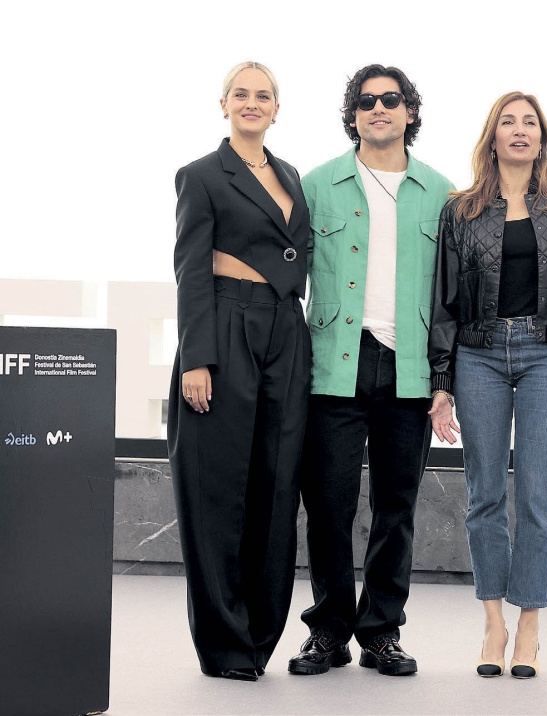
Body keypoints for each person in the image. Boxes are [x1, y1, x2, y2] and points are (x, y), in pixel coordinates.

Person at [288, 65, 453, 678]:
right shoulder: (316, 186)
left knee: (396, 506)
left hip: (408, 366)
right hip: (335, 363)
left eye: (390, 99)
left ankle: (381, 631)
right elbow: (288, 276)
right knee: (328, 505)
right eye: (365, 101)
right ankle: (328, 630)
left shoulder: (442, 194)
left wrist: (445, 381)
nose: (378, 108)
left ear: (409, 110)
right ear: (352, 115)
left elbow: (450, 299)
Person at [428, 91, 547, 680]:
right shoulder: (461, 210)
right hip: (478, 354)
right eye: (508, 121)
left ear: (542, 138)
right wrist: (441, 382)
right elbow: (444, 299)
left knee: (537, 496)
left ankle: (529, 626)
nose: (519, 130)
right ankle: (493, 623)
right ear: (492, 136)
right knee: (485, 496)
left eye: (530, 122)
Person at [167, 61, 310, 681]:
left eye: (264, 95)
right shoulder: (201, 175)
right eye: (242, 94)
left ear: (277, 109)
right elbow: (191, 269)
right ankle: (225, 644)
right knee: (217, 489)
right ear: (223, 103)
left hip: (286, 330)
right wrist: (196, 357)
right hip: (226, 326)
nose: (253, 103)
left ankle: (259, 636)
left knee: (277, 486)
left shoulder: (291, 174)